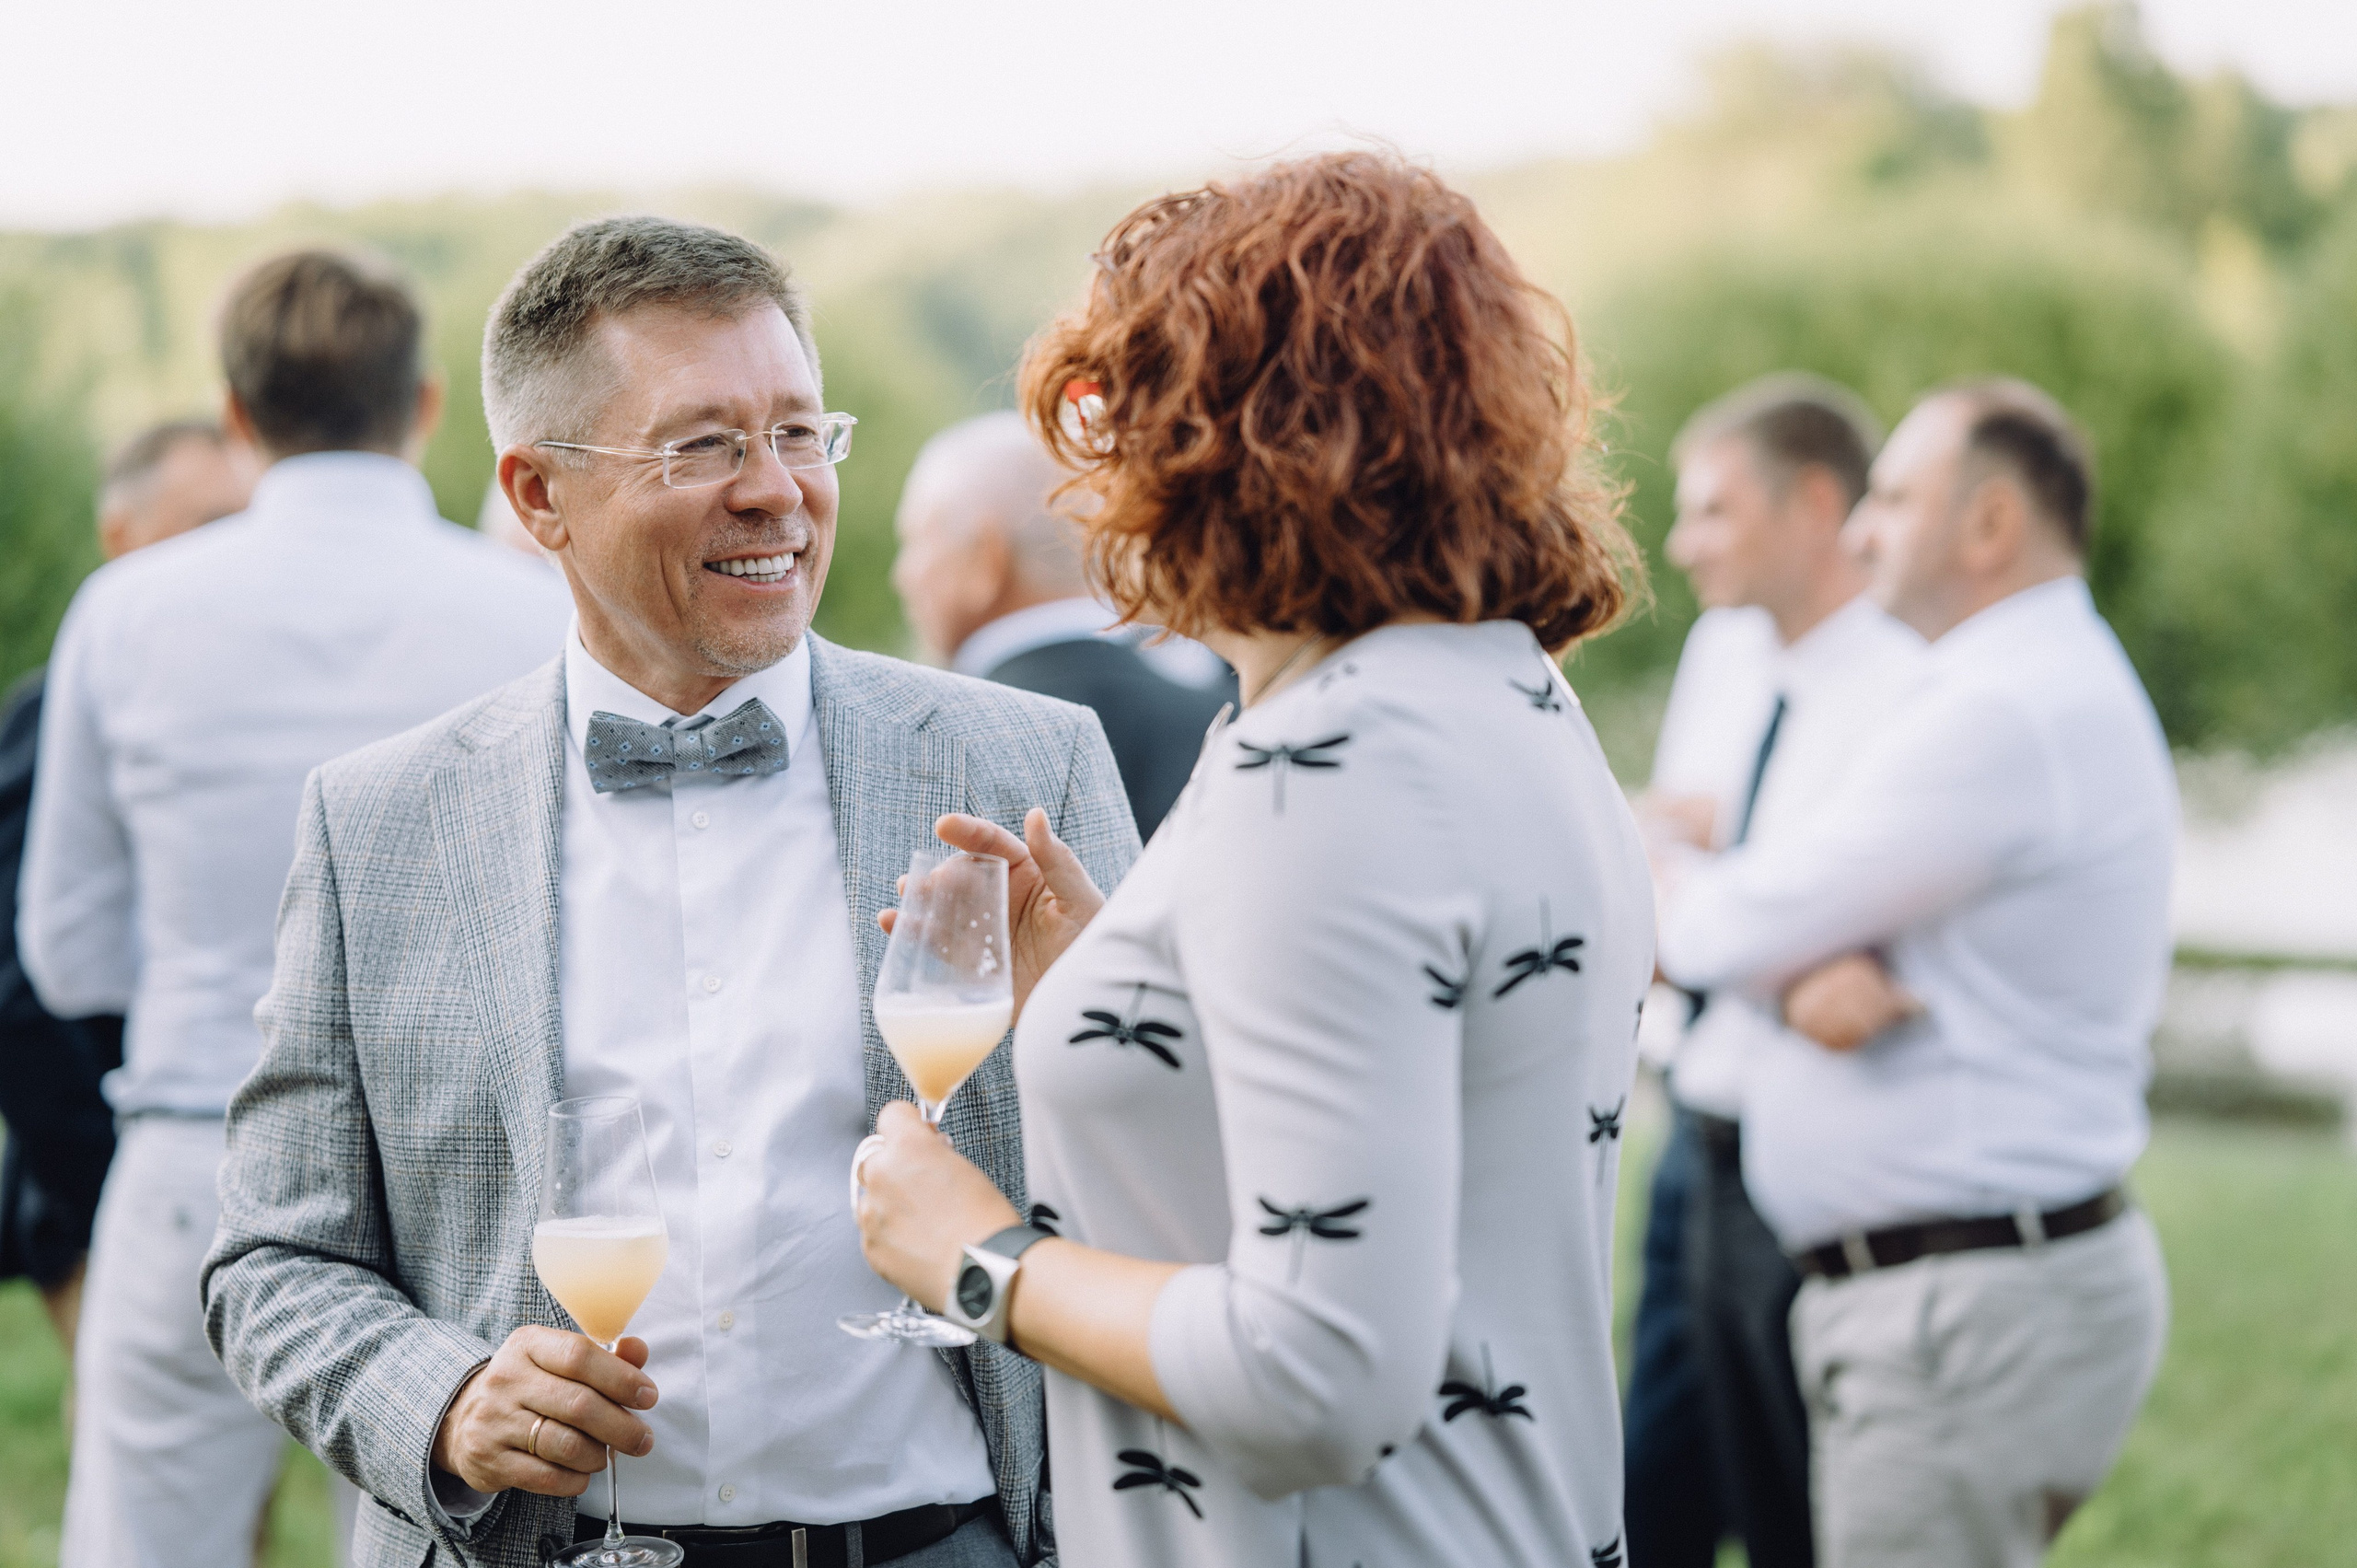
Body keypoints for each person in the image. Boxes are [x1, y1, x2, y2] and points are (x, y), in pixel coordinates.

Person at [202, 215, 1138, 1568]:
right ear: (538, 499)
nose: (777, 490)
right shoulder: (377, 824)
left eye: (801, 433)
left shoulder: (1024, 762)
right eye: (704, 444)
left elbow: (1179, 1189)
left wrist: (1117, 1054)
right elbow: (274, 1260)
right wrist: (446, 1400)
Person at [852, 151, 1653, 1568]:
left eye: (1112, 403)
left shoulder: (1327, 773)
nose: (1088, 471)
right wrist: (1126, 988)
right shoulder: (1498, 692)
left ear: (1232, 436)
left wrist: (975, 1259)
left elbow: (1319, 1377)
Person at [18, 251, 571, 1568]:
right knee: (441, 1539)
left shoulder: (126, 608)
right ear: (428, 403)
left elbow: (66, 944)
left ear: (237, 415)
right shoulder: (531, 604)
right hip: (454, 1167)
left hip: (190, 1144)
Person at [1655, 379, 2174, 1567]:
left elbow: (1730, 928)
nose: (1864, 529)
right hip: (1968, 1296)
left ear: (1987, 527)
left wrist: (1644, 865)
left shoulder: (1999, 710)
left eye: (1891, 497)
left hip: (1962, 1316)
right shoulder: (2015, 685)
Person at [1623, 376, 1922, 1568]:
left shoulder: (1910, 674)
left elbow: (1869, 934)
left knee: (1797, 1495)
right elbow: (1661, 857)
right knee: (1650, 1487)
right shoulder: (1722, 648)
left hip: (1812, 1145)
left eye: (1712, 510)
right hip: (1694, 1115)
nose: (1683, 542)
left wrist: (1714, 901)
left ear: (1812, 503)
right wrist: (1774, 955)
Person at [1, 420, 255, 1376]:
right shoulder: (60, 700)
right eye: (206, 522)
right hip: (102, 1181)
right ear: (121, 535)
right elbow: (22, 978)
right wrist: (105, 1185)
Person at [892, 411, 1233, 836]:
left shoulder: (940, 743)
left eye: (916, 543)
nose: (902, 576)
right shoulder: (1227, 717)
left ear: (986, 560)